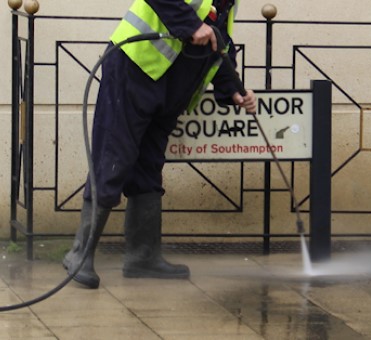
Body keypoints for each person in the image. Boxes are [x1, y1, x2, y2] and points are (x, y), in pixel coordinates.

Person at [63, 0, 257, 289]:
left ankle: (143, 257)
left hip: (169, 88)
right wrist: (192, 26)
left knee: (148, 167)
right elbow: (194, 24)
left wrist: (234, 91)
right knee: (114, 158)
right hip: (134, 67)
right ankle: (80, 253)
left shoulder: (228, 4)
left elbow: (218, 46)